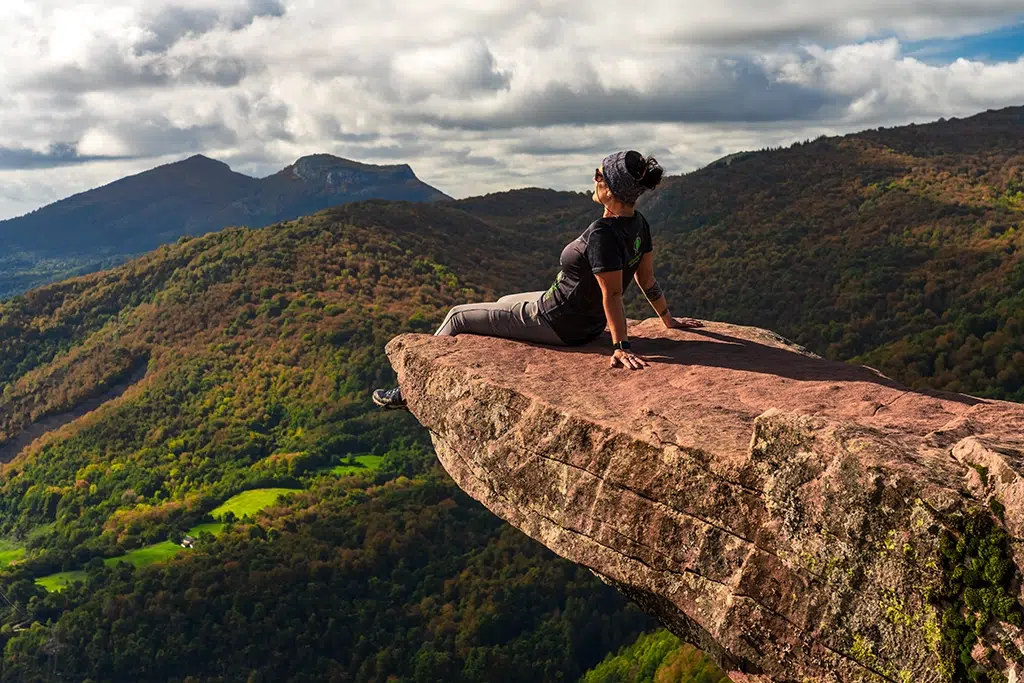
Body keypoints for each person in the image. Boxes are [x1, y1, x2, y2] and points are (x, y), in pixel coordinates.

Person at [372, 150, 702, 410]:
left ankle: (408, 389)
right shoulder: (639, 224)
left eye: (599, 174)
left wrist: (620, 347)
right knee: (503, 302)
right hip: (575, 317)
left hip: (557, 321)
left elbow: (613, 294)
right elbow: (647, 279)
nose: (593, 177)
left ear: (610, 189)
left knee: (458, 315)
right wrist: (667, 320)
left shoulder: (603, 233)